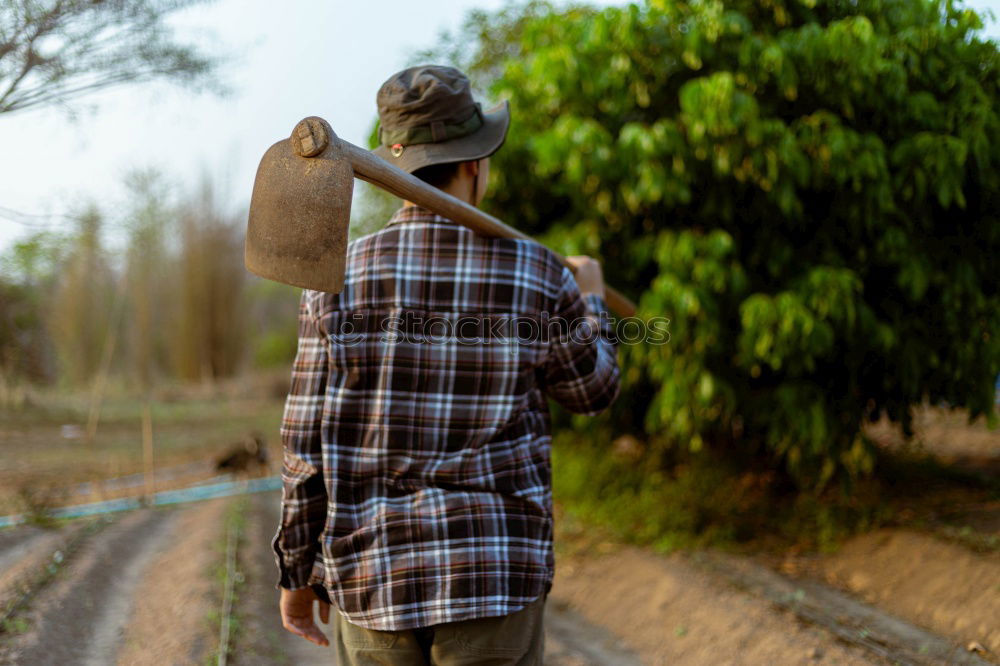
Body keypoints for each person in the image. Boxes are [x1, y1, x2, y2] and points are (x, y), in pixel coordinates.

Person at [272, 64, 620, 665]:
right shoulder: (537, 273)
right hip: (494, 580)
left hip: (374, 577)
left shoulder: (336, 277)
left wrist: (296, 571)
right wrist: (589, 294)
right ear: (475, 163)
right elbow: (593, 390)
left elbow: (305, 445)